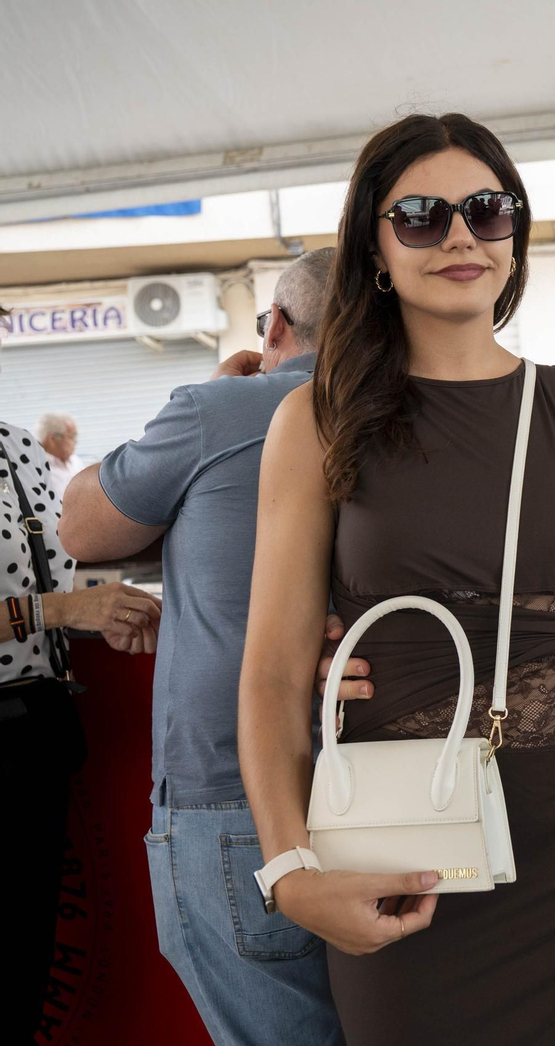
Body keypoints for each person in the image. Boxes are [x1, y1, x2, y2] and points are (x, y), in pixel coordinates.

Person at [235, 113, 555, 1046]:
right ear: (374, 244)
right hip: (403, 851)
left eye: (488, 211)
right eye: (420, 215)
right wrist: (289, 868)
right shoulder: (315, 420)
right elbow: (275, 673)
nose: (460, 236)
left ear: (514, 235)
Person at [58, 248, 344, 1046]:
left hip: (230, 790)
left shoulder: (229, 411)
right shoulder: (423, 409)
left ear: (278, 325)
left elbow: (82, 527)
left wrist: (216, 397)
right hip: (394, 785)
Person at [1, 306, 162, 1041]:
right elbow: (56, 601)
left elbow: (76, 558)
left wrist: (110, 612)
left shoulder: (18, 450)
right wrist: (62, 611)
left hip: (37, 737)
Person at [37, 412, 83, 494]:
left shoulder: (75, 460)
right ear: (52, 439)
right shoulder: (39, 467)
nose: (76, 441)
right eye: (71, 436)